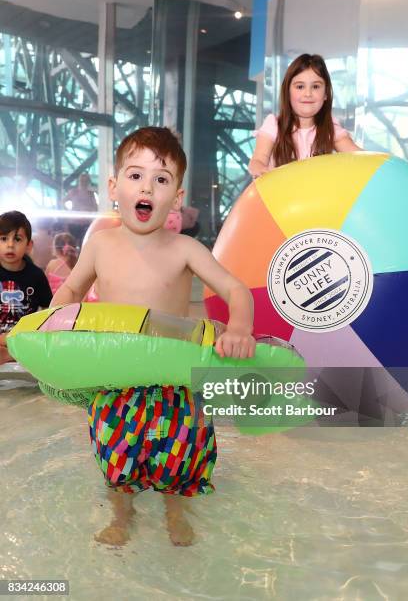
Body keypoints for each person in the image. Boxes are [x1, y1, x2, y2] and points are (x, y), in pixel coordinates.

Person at [51, 127, 256, 547]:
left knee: (181, 449)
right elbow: (71, 289)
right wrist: (58, 319)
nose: (147, 187)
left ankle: (174, 508)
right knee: (115, 450)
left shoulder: (185, 249)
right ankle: (122, 513)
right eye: (135, 175)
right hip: (116, 376)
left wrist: (239, 329)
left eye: (161, 179)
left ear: (176, 196)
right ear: (114, 186)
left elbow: (236, 290)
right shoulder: (101, 245)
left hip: (173, 378)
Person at [248, 53, 362, 178]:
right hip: (280, 195)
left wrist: (381, 162)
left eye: (316, 86)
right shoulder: (274, 125)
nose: (308, 93)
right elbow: (257, 161)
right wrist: (262, 171)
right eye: (300, 86)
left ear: (326, 94)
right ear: (288, 92)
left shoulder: (331, 128)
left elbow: (359, 157)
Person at [0, 211, 52, 364]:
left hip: (23, 339)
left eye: (17, 239)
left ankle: (11, 354)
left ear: (29, 245)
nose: (10, 245)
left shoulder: (36, 276)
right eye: (3, 239)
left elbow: (48, 310)